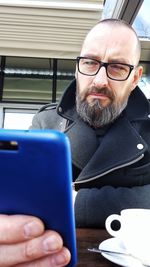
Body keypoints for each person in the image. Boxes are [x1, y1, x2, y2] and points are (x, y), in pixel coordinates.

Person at [0, 18, 150, 267]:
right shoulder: (45, 121)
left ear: (135, 77)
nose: (100, 80)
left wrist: (74, 201)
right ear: (78, 67)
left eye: (117, 67)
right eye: (90, 62)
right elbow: (26, 198)